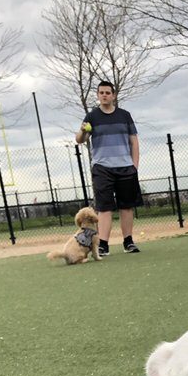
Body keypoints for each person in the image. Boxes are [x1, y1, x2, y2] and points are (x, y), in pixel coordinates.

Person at [75, 80, 141, 256]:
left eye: (107, 92)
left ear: (113, 95)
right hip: (102, 168)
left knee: (126, 207)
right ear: (98, 95)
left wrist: (134, 166)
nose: (104, 95)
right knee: (104, 208)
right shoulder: (91, 117)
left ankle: (128, 242)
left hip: (126, 167)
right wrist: (83, 130)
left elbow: (134, 141)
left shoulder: (125, 116)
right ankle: (103, 245)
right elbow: (80, 139)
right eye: (101, 93)